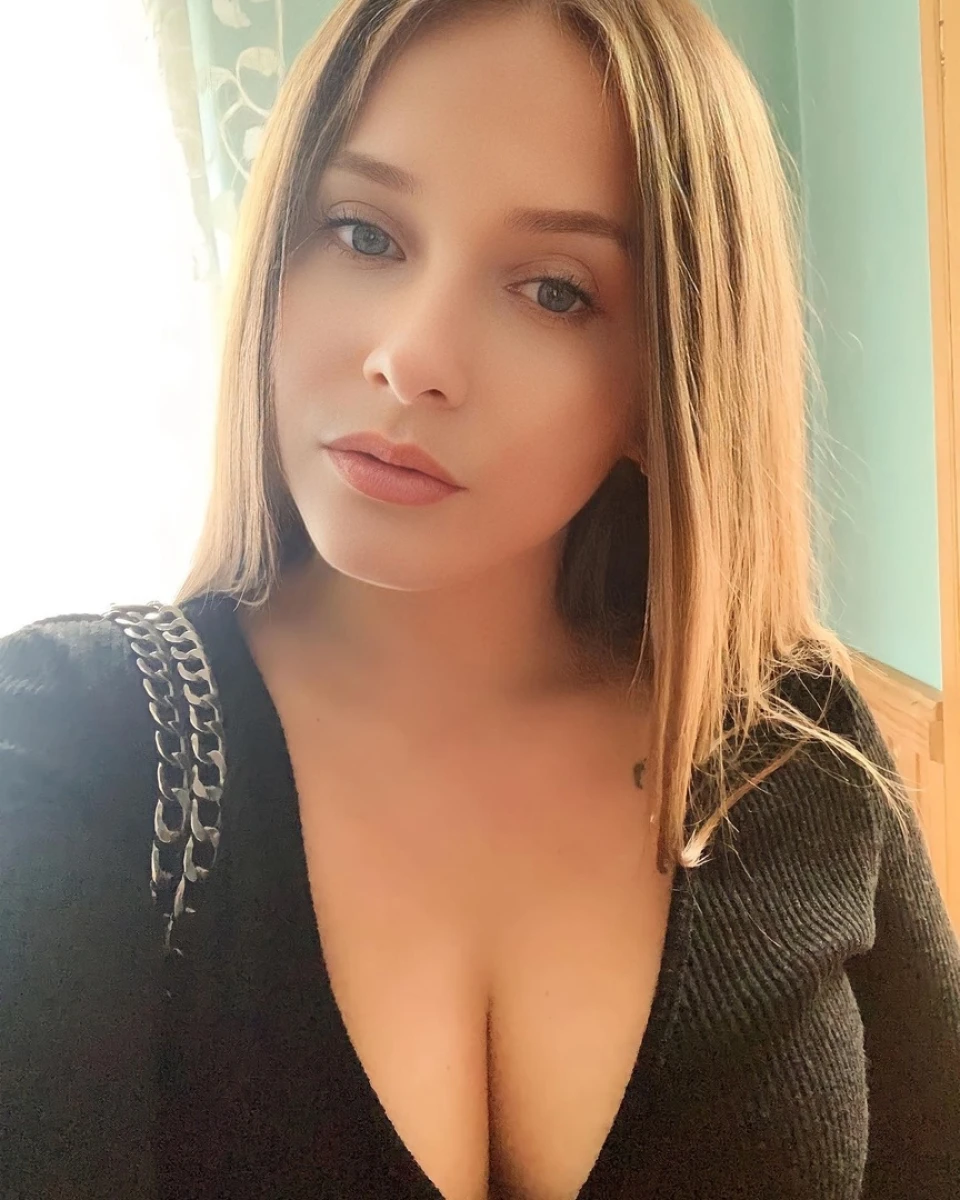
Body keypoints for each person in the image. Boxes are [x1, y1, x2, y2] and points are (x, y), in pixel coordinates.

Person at [2, 0, 958, 1197]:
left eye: (553, 291)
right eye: (363, 232)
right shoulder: (74, 745)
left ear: (667, 380)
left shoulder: (795, 747)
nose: (411, 358)